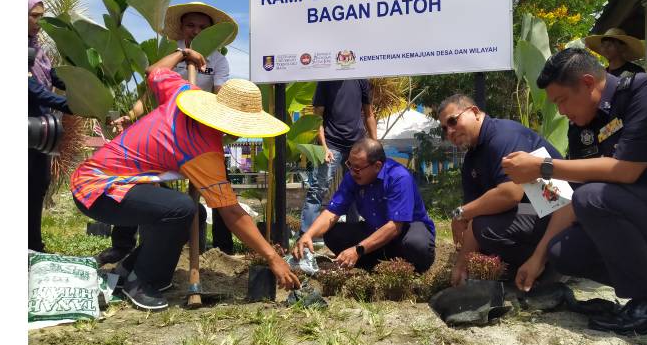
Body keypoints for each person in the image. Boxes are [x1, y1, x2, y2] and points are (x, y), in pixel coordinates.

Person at [70, 48, 299, 310]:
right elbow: (231, 212)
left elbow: (155, 71)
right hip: (98, 189)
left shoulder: (184, 93)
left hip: (109, 183)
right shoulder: (204, 151)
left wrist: (182, 54)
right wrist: (272, 257)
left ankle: (128, 270)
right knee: (181, 208)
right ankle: (142, 282)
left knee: (194, 214)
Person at [502, 48, 647, 335]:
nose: (561, 111)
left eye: (562, 100)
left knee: (593, 197)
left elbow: (625, 171)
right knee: (564, 251)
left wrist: (543, 167)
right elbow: (574, 200)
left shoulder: (646, 93)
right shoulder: (583, 129)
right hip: (642, 217)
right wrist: (538, 258)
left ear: (588, 83)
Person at [99, 2, 239, 265]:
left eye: (203, 27)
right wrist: (130, 116)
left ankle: (224, 248)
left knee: (220, 186)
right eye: (190, 25)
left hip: (197, 133)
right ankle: (122, 245)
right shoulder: (171, 55)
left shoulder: (219, 61)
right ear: (182, 28)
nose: (196, 31)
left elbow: (219, 96)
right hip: (164, 133)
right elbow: (148, 91)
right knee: (139, 181)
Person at [436, 95, 563, 287]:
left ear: (475, 112)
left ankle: (550, 267)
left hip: (558, 214)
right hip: (528, 215)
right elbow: (472, 216)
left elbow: (510, 194)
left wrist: (460, 213)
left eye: (453, 121)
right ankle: (515, 270)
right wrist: (461, 264)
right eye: (444, 128)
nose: (450, 131)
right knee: (479, 229)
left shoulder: (503, 136)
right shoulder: (472, 158)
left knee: (484, 228)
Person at [294, 138, 435, 273]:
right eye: (349, 165)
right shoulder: (352, 177)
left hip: (405, 231)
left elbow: (395, 227)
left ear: (377, 166)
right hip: (374, 230)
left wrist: (358, 249)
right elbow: (332, 212)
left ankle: (403, 264)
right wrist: (308, 235)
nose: (352, 172)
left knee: (417, 245)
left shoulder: (398, 177)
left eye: (357, 168)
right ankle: (379, 260)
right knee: (333, 234)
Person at [300, 79, 377, 236]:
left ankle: (353, 236)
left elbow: (369, 114)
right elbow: (317, 119)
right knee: (318, 189)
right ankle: (304, 238)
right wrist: (324, 147)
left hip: (356, 145)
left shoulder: (360, 79)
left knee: (355, 189)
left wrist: (375, 147)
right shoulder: (325, 81)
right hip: (331, 145)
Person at [28, 0, 73, 252]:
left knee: (38, 184)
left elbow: (52, 76)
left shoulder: (37, 50)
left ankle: (34, 245)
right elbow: (31, 88)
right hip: (28, 126)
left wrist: (82, 84)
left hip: (40, 131)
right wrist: (69, 105)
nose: (39, 22)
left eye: (42, 17)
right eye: (34, 16)